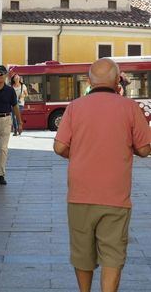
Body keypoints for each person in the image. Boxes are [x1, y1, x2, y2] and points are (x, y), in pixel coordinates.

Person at [53, 58, 151, 292]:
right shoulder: (130, 108)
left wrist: (78, 154)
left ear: (89, 81)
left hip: (80, 194)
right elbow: (146, 149)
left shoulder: (75, 107)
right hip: (116, 196)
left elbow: (59, 147)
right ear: (118, 81)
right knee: (113, 255)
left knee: (82, 253)